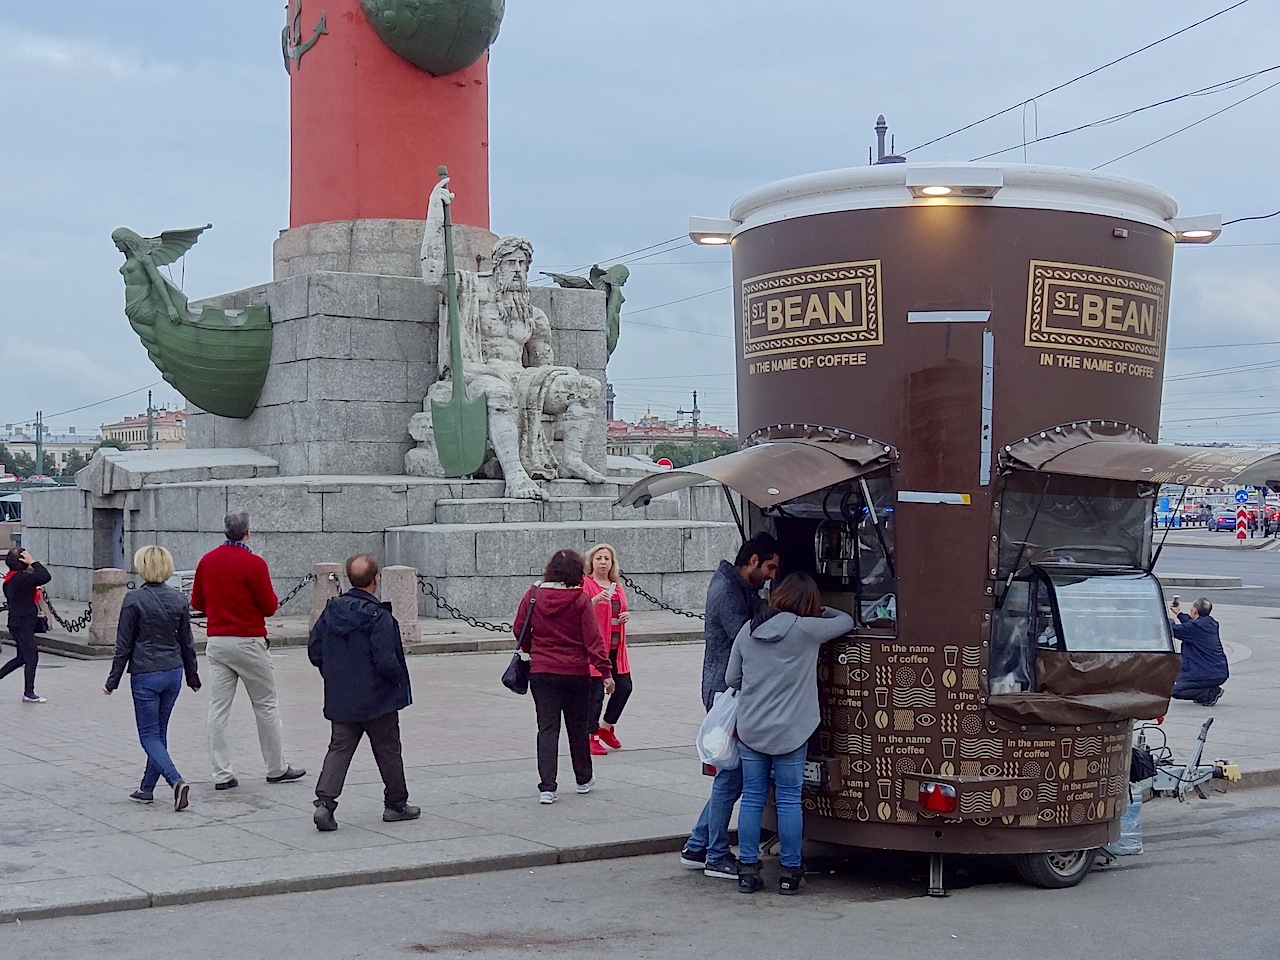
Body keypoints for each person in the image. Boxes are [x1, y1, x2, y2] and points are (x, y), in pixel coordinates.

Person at [411, 176, 606, 500]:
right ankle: (515, 476)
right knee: (500, 392)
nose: (517, 270)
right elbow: (433, 273)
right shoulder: (469, 290)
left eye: (523, 264)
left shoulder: (532, 315)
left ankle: (571, 459)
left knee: (585, 386)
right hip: (476, 374)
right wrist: (435, 214)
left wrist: (559, 382)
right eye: (511, 263)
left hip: (521, 378)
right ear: (496, 265)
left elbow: (545, 365)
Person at [727, 572, 854, 895]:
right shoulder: (808, 630)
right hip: (792, 731)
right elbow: (847, 620)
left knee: (753, 799)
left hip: (752, 727)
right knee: (788, 800)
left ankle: (748, 870)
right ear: (809, 603)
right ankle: (790, 871)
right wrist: (822, 610)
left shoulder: (748, 629)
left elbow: (732, 679)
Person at [679, 534, 781, 880]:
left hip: (725, 687)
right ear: (752, 560)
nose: (771, 575)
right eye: (769, 567)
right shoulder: (728, 592)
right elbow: (747, 638)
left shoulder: (736, 586)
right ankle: (716, 854)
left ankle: (698, 845)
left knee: (731, 775)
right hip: (728, 691)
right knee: (731, 776)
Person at [191, 510, 305, 790]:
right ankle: (276, 768)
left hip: (217, 641)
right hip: (249, 640)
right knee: (265, 705)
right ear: (248, 532)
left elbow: (197, 601)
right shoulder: (254, 564)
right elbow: (269, 606)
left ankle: (221, 773)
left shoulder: (207, 561)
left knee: (217, 709)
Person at [308, 554, 419, 831]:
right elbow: (386, 661)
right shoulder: (379, 617)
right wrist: (397, 683)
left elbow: (315, 650)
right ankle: (396, 804)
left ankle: (325, 804)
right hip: (378, 698)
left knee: (339, 748)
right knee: (388, 749)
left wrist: (333, 674)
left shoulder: (332, 610)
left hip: (342, 695)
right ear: (376, 580)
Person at [103, 546, 201, 811]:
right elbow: (187, 643)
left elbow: (122, 645)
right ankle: (146, 788)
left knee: (148, 735)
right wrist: (193, 677)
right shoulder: (179, 599)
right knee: (159, 733)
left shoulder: (133, 599)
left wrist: (112, 681)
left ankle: (176, 781)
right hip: (173, 672)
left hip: (146, 673)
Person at [513, 549, 613, 804]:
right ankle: (583, 779)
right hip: (575, 672)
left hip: (542, 670)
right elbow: (593, 639)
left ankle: (547, 787)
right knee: (577, 727)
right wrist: (605, 672)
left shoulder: (534, 595)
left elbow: (519, 628)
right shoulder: (580, 599)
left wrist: (531, 649)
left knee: (547, 728)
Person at [582, 544, 632, 755]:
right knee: (595, 693)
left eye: (607, 559)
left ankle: (606, 726)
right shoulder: (586, 584)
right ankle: (590, 735)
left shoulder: (616, 585)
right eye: (599, 558)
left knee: (625, 686)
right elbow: (580, 609)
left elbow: (622, 608)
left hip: (616, 646)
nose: (603, 562)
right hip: (596, 647)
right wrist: (595, 600)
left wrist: (625, 616)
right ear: (591, 562)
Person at [2, 547, 51, 703]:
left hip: (17, 623)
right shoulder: (22, 578)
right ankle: (29, 693)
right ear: (22, 561)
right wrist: (33, 562)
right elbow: (45, 576)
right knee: (31, 657)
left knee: (22, 657)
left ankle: (28, 691)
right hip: (22, 623)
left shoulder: (11, 579)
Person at [1168, 597, 1229, 706]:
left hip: (1206, 673)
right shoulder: (1210, 623)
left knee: (1175, 691)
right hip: (1218, 672)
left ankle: (1209, 694)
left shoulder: (1195, 627)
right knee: (1183, 681)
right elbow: (1192, 623)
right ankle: (1206, 693)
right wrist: (1179, 613)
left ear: (1195, 611)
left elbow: (1172, 630)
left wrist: (1171, 618)